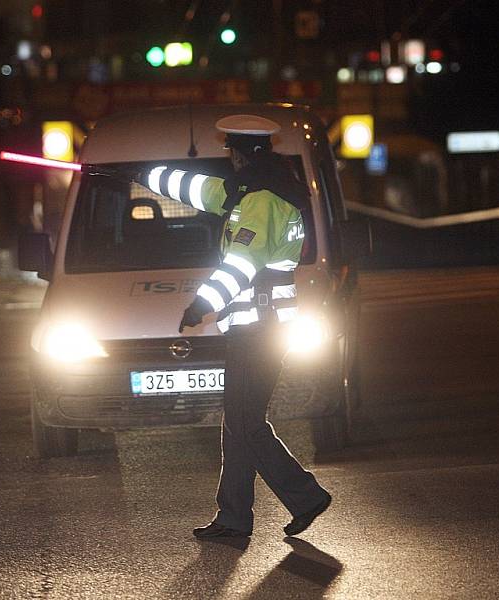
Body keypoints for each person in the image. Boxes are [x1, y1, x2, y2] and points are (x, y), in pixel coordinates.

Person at [138, 114, 331, 538]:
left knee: (245, 423)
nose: (229, 159)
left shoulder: (261, 200)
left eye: (231, 151)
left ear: (242, 154)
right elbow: (199, 189)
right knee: (238, 421)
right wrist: (146, 174)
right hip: (259, 328)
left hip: (259, 330)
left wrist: (201, 305)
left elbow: (241, 265)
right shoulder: (259, 188)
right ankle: (233, 516)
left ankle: (305, 496)